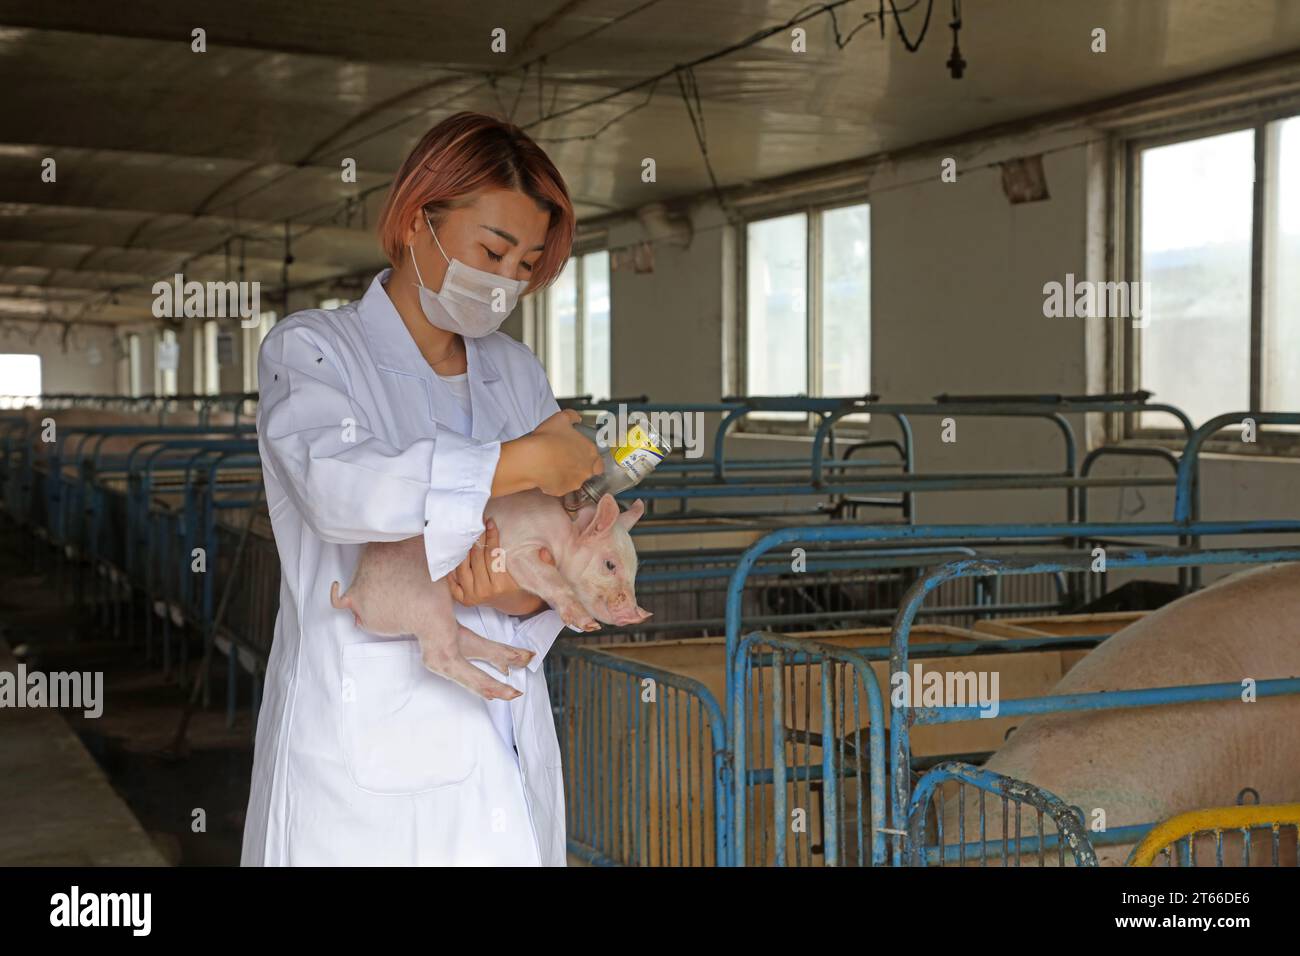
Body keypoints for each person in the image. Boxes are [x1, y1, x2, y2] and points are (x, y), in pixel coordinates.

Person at [240, 111, 603, 866]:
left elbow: (554, 547)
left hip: (503, 732)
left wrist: (518, 589)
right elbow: (341, 490)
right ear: (415, 222)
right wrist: (525, 460)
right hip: (362, 766)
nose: (506, 282)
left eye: (527, 263)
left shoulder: (515, 370)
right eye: (492, 250)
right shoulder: (312, 350)